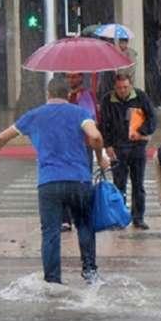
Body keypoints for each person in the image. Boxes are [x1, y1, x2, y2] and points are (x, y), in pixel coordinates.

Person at [0, 78, 110, 284]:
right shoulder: (80, 113)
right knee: (85, 225)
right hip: (79, 180)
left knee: (51, 232)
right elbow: (95, 137)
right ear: (66, 94)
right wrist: (99, 157)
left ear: (48, 93)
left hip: (49, 182)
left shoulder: (34, 115)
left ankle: (53, 279)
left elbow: (1, 137)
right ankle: (90, 271)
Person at [100, 73, 157, 229]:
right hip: (118, 148)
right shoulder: (107, 100)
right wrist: (108, 145)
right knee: (119, 184)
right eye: (119, 88)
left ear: (130, 85)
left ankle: (138, 217)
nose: (122, 91)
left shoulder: (140, 96)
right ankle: (119, 217)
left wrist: (142, 132)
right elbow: (104, 124)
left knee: (138, 184)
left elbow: (152, 118)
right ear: (114, 87)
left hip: (137, 146)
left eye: (125, 87)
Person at [61, 72, 99, 232]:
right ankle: (65, 218)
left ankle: (82, 215)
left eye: (75, 76)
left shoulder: (86, 96)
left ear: (81, 78)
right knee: (63, 181)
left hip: (83, 145)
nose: (72, 80)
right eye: (69, 77)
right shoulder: (61, 96)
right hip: (64, 145)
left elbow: (90, 118)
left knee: (83, 181)